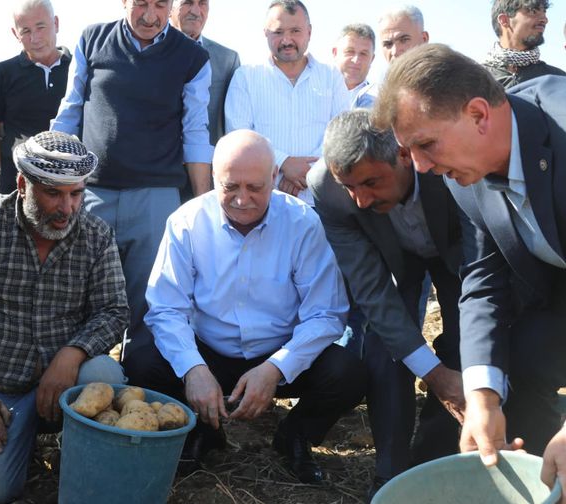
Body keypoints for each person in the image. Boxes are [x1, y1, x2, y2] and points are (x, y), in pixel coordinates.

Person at [372, 42, 566, 503]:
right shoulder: (463, 175)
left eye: (426, 145)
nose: (423, 168)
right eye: (411, 152)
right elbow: (483, 280)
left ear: (477, 114)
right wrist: (483, 398)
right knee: (517, 366)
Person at [125, 130, 368, 484]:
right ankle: (199, 430)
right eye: (230, 187)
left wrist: (276, 368)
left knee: (349, 373)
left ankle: (295, 434)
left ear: (274, 178)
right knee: (142, 363)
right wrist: (193, 368)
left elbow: (326, 314)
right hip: (209, 351)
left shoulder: (302, 223)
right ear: (213, 179)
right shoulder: (187, 222)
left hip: (279, 351)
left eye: (255, 188)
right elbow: (166, 308)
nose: (242, 199)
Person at [0, 131, 128, 504]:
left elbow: (114, 310)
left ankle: (78, 453)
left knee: (103, 374)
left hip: (67, 385)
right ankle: (12, 440)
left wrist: (71, 354)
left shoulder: (96, 234)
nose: (67, 208)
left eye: (76, 194)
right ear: (22, 184)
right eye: (54, 193)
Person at [308, 110, 463, 500]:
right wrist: (435, 376)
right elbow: (371, 289)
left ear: (403, 154)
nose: (359, 200)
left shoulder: (446, 159)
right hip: (397, 262)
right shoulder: (326, 188)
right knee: (385, 347)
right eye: (350, 187)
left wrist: (454, 372)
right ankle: (391, 475)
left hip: (460, 257)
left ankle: (439, 456)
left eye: (371, 182)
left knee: (465, 343)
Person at [51, 0, 213, 363]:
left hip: (156, 198)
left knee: (150, 301)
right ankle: (68, 385)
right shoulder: (92, 39)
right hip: (92, 192)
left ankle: (137, 386)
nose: (151, 15)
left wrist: (203, 204)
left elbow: (196, 132)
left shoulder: (192, 58)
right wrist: (53, 177)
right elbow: (70, 110)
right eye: (140, 3)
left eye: (161, 4)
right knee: (76, 292)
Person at [224, 0, 349, 205]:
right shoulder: (246, 77)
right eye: (278, 32)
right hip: (264, 202)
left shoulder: (331, 76)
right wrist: (283, 163)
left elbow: (342, 134)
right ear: (265, 33)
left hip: (321, 200)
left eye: (295, 31)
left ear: (309, 32)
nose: (287, 40)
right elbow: (239, 136)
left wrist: (309, 174)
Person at [0, 0, 70, 195]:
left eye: (41, 27)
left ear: (56, 23)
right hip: (17, 192)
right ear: (15, 33)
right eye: (25, 31)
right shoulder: (4, 72)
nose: (35, 38)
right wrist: (21, 161)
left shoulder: (78, 69)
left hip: (68, 192)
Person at [169, 0, 240, 145]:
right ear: (169, 7)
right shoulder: (148, 50)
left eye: (202, 3)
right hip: (154, 161)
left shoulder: (227, 60)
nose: (196, 12)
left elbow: (233, 125)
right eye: (187, 2)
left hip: (207, 162)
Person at [483, 0, 566, 88]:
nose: (545, 20)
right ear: (504, 20)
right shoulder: (476, 78)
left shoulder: (558, 79)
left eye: (544, 12)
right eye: (533, 11)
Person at [332, 24, 377, 108]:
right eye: (350, 51)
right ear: (335, 53)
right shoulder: (315, 92)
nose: (356, 60)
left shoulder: (379, 103)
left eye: (363, 54)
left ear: (372, 59)